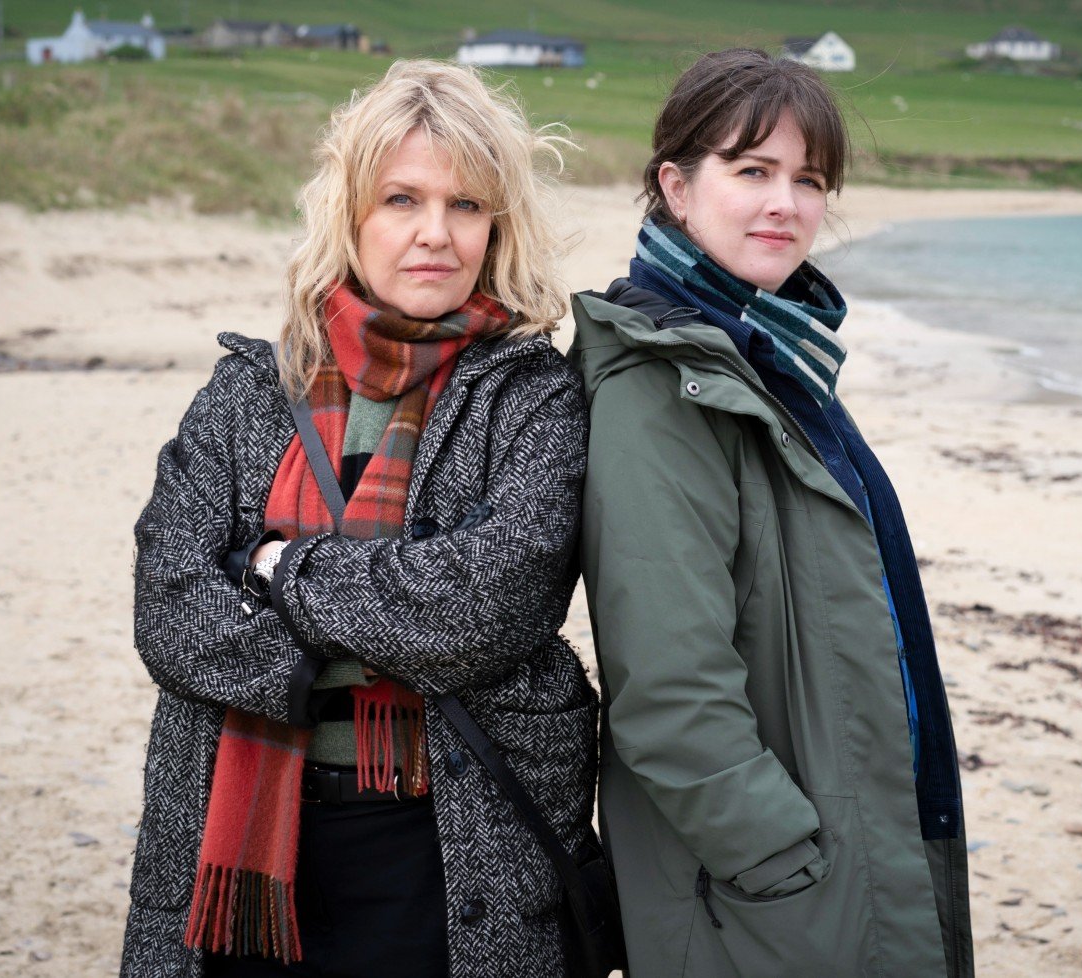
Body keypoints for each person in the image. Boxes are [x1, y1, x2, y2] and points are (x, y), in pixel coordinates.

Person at [120, 59, 596, 978]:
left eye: (465, 205)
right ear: (351, 214)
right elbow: (169, 607)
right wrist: (317, 663)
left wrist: (277, 571)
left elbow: (488, 605)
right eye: (401, 200)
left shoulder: (532, 398)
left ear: (497, 224)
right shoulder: (249, 393)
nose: (434, 234)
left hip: (447, 847)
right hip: (247, 845)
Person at [569, 48, 975, 977]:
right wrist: (785, 860)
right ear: (676, 185)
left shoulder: (774, 360)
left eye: (808, 179)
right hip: (769, 897)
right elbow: (671, 693)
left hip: (845, 845)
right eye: (751, 171)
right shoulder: (661, 387)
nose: (784, 204)